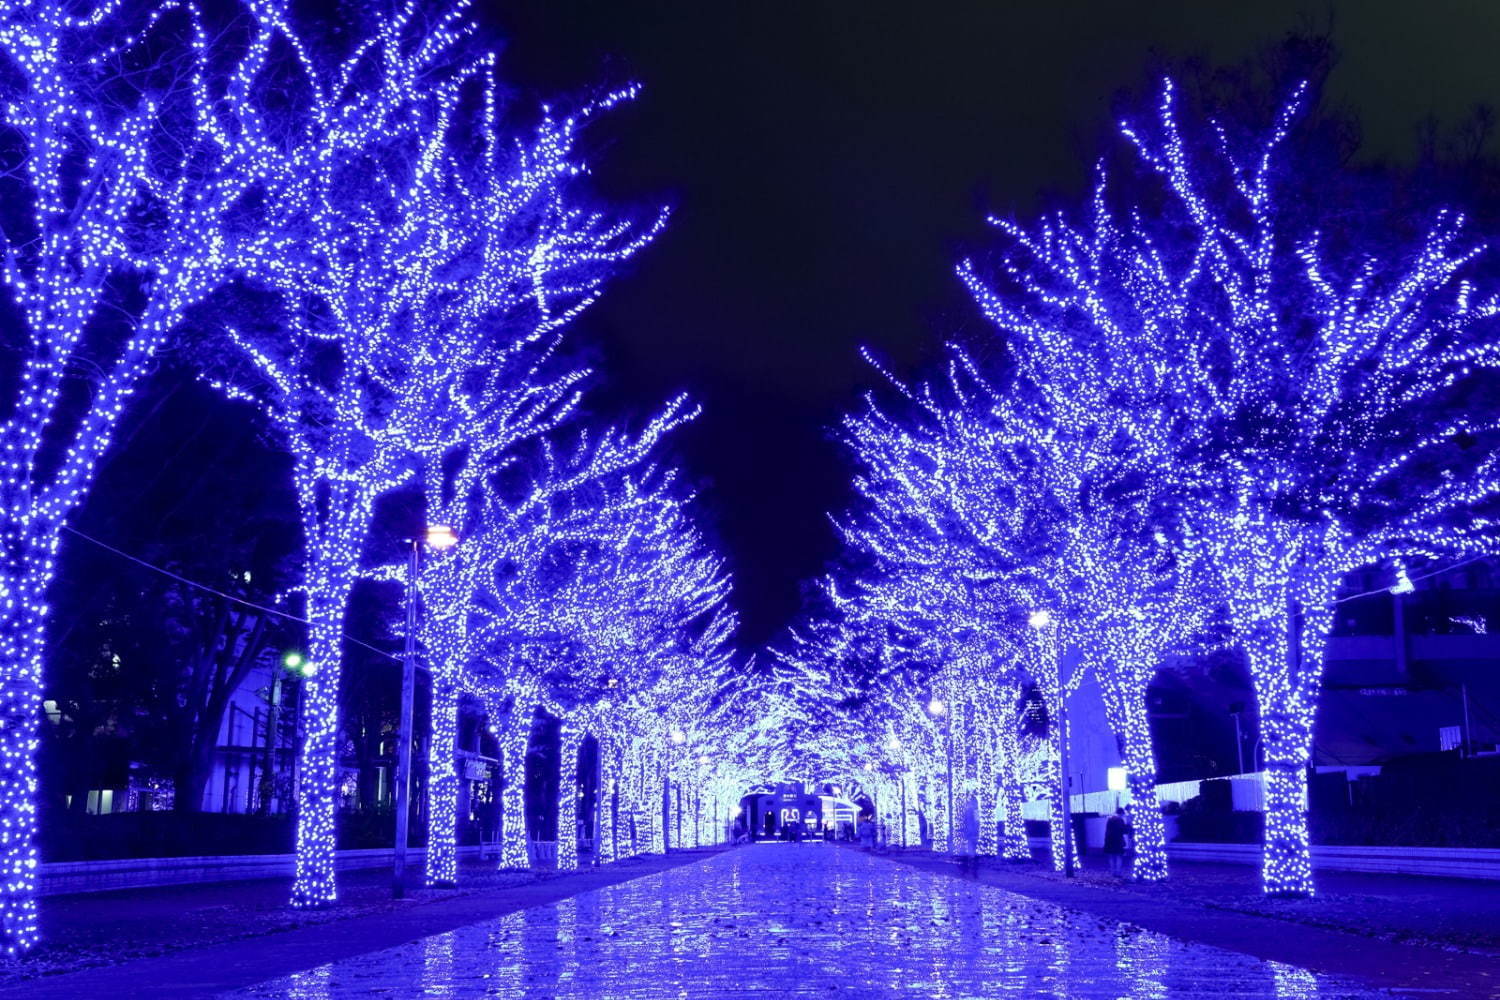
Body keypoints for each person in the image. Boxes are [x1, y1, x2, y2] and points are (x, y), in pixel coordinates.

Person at [956, 790, 980, 878]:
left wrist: (975, 831)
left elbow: (976, 822)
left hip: (971, 834)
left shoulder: (972, 811)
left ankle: (971, 871)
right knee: (968, 853)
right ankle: (968, 871)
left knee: (971, 853)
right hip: (968, 833)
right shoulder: (966, 811)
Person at [1104, 806, 1129, 878]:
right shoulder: (1120, 820)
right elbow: (1124, 831)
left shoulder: (1109, 819)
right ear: (1121, 813)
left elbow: (1107, 831)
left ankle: (1112, 872)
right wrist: (1128, 826)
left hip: (1109, 840)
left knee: (1111, 857)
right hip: (1118, 840)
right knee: (1119, 857)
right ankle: (1118, 873)